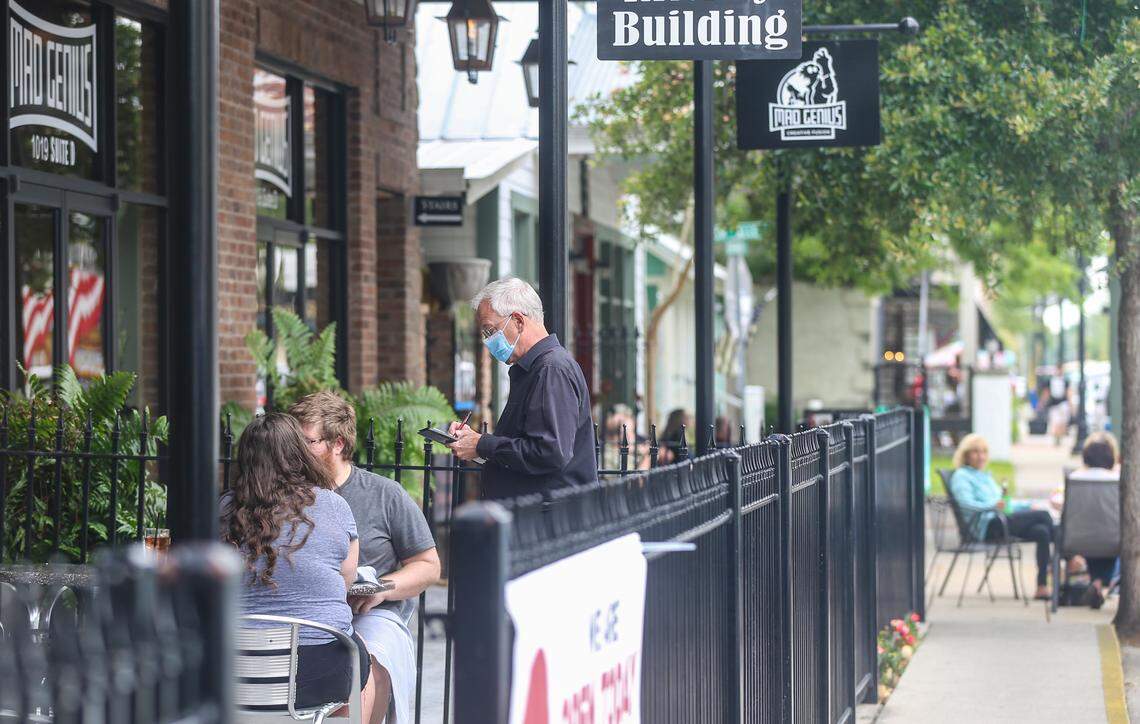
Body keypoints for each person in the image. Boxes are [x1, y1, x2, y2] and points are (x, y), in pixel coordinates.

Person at [289, 391, 441, 724]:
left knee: (370, 657)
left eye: (308, 442)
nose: (297, 452)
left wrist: (382, 589)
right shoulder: (285, 495)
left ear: (338, 444)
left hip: (371, 614)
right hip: (305, 613)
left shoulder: (385, 494)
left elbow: (429, 565)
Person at [220, 414, 377, 719]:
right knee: (356, 657)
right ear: (298, 454)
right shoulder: (333, 505)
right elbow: (345, 580)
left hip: (236, 669)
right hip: (317, 670)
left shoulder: (223, 509)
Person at [447, 277, 599, 499]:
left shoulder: (551, 370)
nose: (487, 340)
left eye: (490, 330)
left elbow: (549, 452)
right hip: (538, 516)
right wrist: (476, 443)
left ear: (518, 320)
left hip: (547, 520)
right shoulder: (536, 369)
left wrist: (483, 445)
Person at [949, 433, 1055, 599]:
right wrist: (991, 506)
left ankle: (1042, 585)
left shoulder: (985, 476)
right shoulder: (961, 476)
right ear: (966, 455)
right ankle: (1066, 562)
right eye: (975, 452)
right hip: (987, 526)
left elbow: (1005, 504)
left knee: (1042, 531)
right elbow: (965, 504)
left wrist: (1027, 506)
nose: (981, 456)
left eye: (984, 452)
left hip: (1002, 520)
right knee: (1044, 516)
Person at [1068, 431, 1121, 608]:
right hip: (1112, 540)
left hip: (1077, 540)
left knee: (1092, 535)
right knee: (1107, 538)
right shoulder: (1118, 481)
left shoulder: (1074, 478)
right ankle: (1102, 584)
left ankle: (1096, 584)